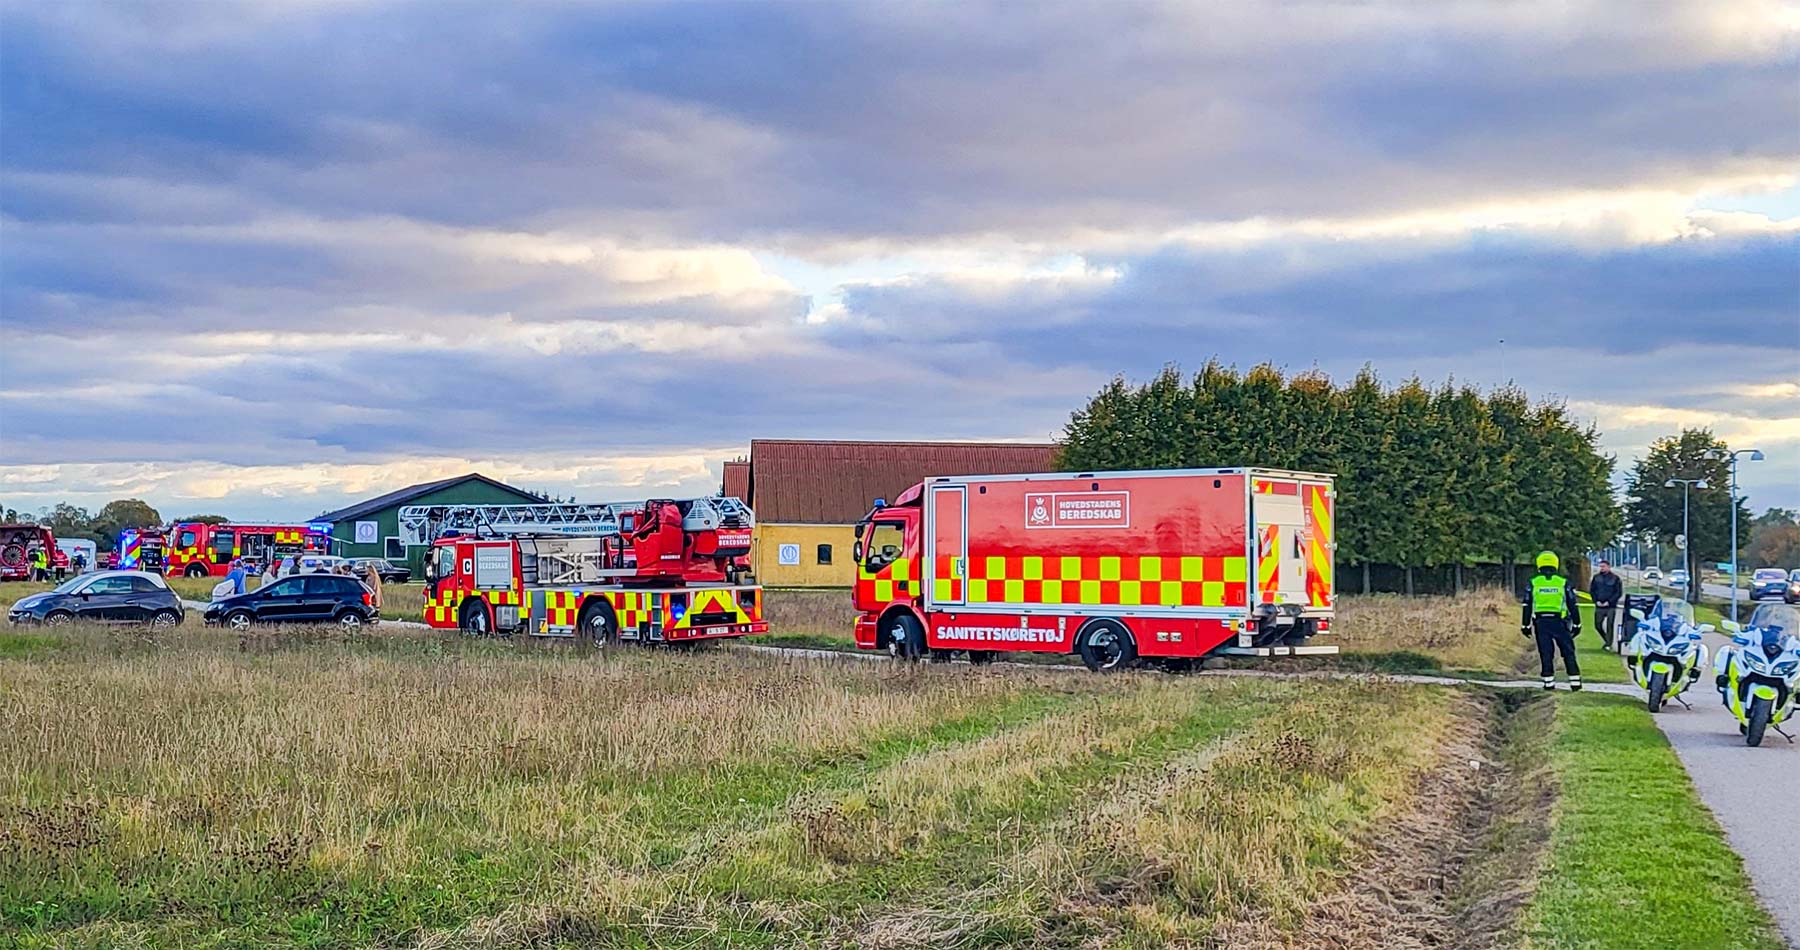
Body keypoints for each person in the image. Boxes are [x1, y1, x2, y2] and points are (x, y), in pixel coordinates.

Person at [1521, 550, 1583, 691]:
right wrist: (1577, 623)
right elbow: (1572, 604)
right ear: (1556, 564)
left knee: (1546, 652)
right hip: (1560, 622)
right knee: (1568, 651)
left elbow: (1527, 604)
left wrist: (1525, 625)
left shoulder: (1534, 583)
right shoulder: (1562, 582)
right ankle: (1575, 682)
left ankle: (1548, 683)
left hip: (1541, 623)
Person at [1588, 559, 1623, 649]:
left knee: (1609, 625)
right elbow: (1592, 591)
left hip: (1610, 606)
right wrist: (1596, 601)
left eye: (1603, 566)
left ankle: (1608, 644)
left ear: (1608, 567)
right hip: (1599, 605)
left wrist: (1610, 602)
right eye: (1600, 566)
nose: (1602, 568)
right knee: (1597, 625)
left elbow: (1618, 592)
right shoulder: (1596, 578)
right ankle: (1606, 639)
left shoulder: (1615, 579)